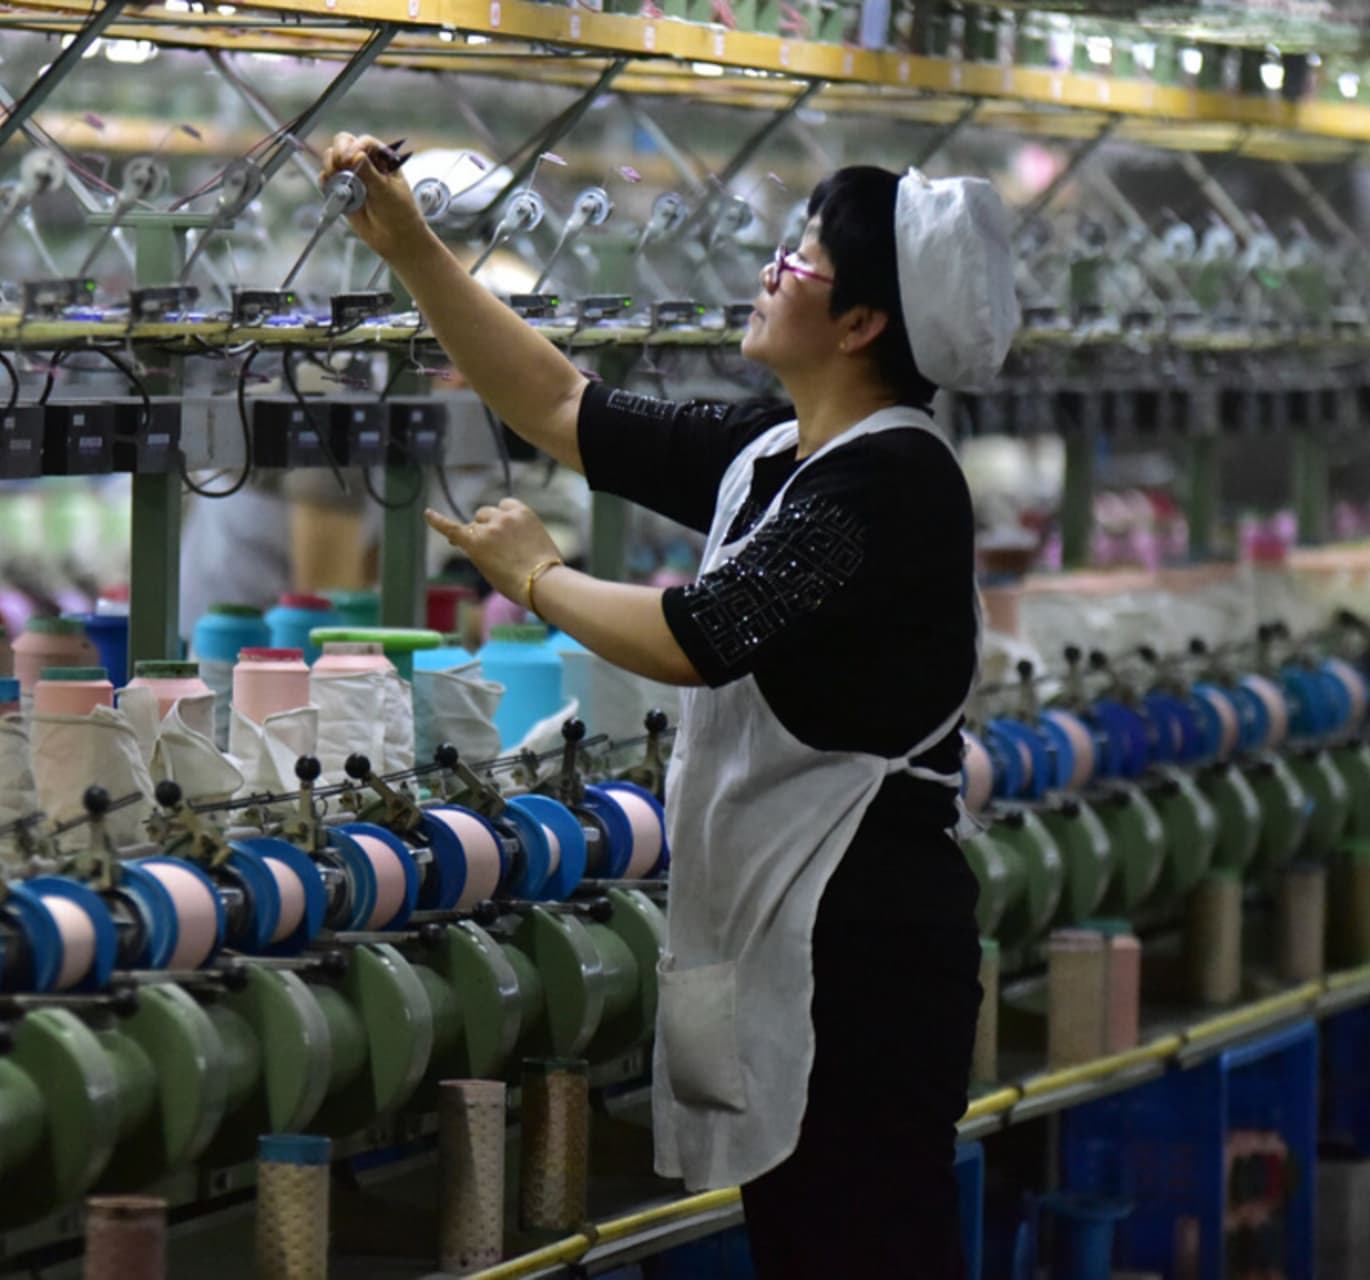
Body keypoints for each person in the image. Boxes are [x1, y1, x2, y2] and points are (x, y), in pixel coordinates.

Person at [324, 134, 1017, 1277]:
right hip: (790, 933)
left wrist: (537, 577)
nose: (771, 271)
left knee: (868, 1249)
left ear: (861, 326)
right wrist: (412, 247)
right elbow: (559, 404)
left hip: (870, 961)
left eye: (799, 263)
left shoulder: (892, 482)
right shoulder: (778, 452)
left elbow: (702, 633)